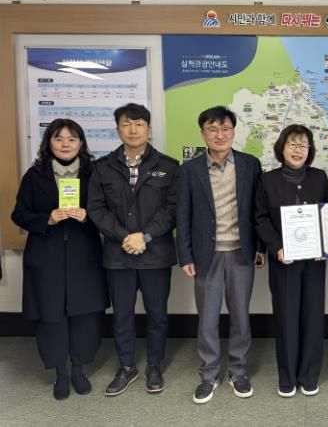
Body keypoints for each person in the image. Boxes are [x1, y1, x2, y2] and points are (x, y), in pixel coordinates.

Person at [12, 119, 109, 400]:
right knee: (51, 316)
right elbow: (19, 214)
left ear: (81, 143)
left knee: (85, 315)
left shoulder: (95, 173)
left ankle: (79, 369)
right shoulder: (35, 176)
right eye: (58, 138)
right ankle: (60, 373)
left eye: (72, 138)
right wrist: (47, 219)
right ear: (49, 143)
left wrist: (89, 217)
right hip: (46, 256)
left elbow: (111, 212)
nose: (65, 144)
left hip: (85, 256)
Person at [88, 103, 178, 396]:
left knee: (157, 315)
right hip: (118, 255)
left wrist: (145, 236)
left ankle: (154, 365)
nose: (133, 129)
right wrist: (126, 237)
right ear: (118, 129)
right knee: (122, 315)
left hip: (156, 255)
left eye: (139, 124)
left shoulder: (169, 166)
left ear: (149, 129)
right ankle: (126, 367)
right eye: (126, 124)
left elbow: (173, 209)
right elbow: (96, 209)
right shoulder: (102, 167)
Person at [177, 106, 264, 404]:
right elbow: (183, 215)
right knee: (207, 318)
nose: (220, 134)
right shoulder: (190, 169)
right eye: (212, 129)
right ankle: (209, 374)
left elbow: (257, 211)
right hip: (206, 255)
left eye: (225, 128)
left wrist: (260, 247)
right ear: (203, 133)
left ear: (233, 131)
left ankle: (238, 371)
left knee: (240, 316)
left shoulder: (250, 165)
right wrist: (185, 255)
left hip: (241, 253)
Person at [255, 124, 328, 397]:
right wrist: (276, 247)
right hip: (283, 261)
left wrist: (325, 245)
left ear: (310, 150)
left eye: (303, 145)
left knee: (313, 318)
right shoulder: (267, 180)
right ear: (282, 147)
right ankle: (287, 377)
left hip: (314, 261)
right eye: (293, 144)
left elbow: (327, 214)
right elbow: (260, 218)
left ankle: (309, 376)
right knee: (286, 318)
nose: (298, 150)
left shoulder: (319, 177)